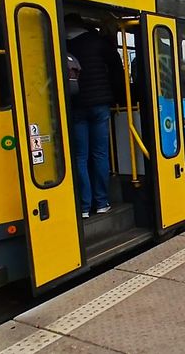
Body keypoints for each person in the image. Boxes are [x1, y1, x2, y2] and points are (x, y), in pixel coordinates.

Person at [67, 14, 125, 218]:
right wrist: (119, 98)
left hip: (76, 106)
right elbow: (117, 71)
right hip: (100, 105)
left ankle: (84, 207)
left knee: (80, 156)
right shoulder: (98, 43)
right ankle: (101, 202)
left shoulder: (61, 44)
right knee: (100, 153)